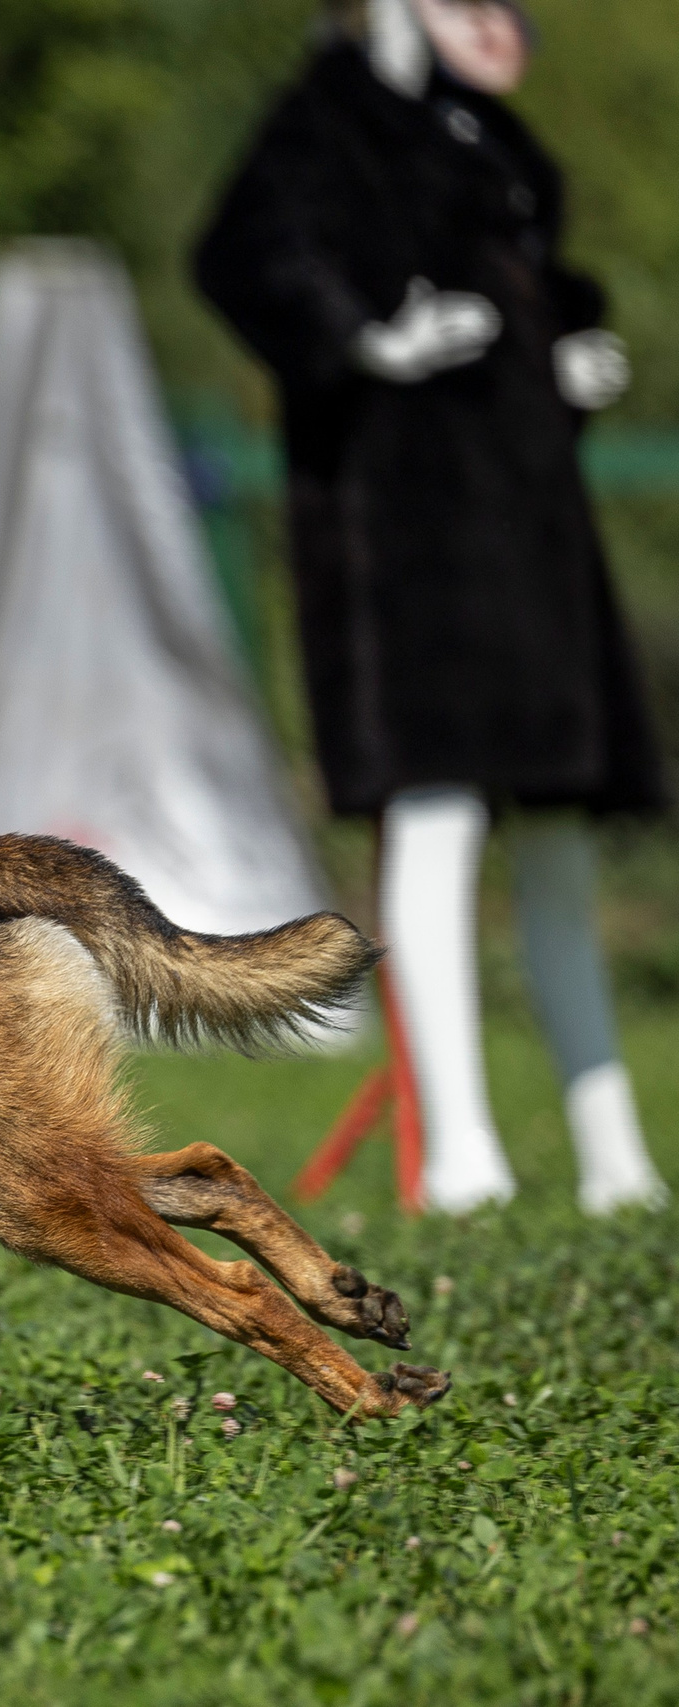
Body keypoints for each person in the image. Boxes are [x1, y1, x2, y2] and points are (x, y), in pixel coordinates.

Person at [194, 0, 666, 1214]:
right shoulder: (324, 124)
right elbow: (240, 255)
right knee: (437, 810)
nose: (506, 23)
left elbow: (534, 281)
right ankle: (460, 1155)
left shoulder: (485, 138)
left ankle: (615, 1159)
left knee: (554, 824)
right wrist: (365, 343)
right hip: (406, 538)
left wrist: (565, 354)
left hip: (530, 539)